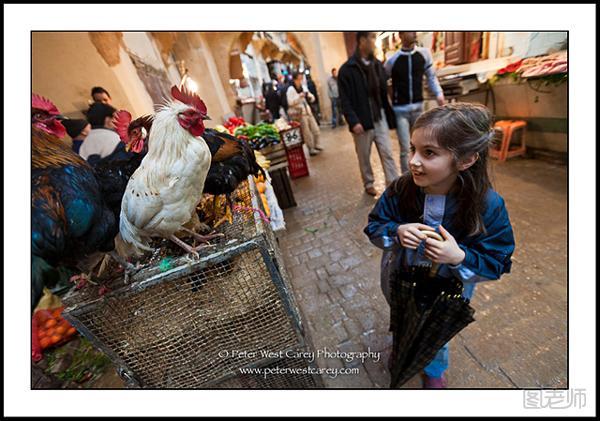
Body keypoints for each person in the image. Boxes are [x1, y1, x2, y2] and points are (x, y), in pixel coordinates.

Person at [364, 103, 516, 388]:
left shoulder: (488, 205)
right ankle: (402, 346)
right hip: (400, 279)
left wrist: (459, 256)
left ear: (466, 159)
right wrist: (396, 231)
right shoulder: (400, 189)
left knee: (435, 332)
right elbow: (374, 225)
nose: (413, 161)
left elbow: (497, 259)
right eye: (412, 149)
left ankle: (433, 367)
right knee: (402, 316)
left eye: (429, 153)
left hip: (450, 290)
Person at [338, 31, 399, 196]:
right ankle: (368, 183)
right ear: (362, 41)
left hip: (379, 117)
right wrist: (353, 121)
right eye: (372, 37)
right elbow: (344, 100)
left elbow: (383, 93)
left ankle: (393, 183)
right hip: (361, 121)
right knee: (364, 157)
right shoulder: (347, 70)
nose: (374, 41)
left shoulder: (377, 65)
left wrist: (391, 116)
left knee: (387, 152)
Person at [384, 31, 445, 173]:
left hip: (418, 108)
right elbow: (383, 80)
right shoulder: (392, 60)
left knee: (422, 144)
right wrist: (389, 100)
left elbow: (431, 77)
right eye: (410, 31)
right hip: (400, 111)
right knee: (405, 148)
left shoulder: (424, 54)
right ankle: (407, 179)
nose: (414, 33)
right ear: (401, 35)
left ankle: (420, 175)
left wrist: (439, 94)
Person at [286, 71, 323, 156]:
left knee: (315, 129)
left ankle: (317, 144)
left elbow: (311, 96)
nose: (301, 80)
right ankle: (311, 148)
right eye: (299, 79)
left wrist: (310, 97)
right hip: (301, 114)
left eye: (301, 78)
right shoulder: (291, 89)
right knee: (306, 133)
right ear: (295, 79)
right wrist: (299, 97)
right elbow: (290, 102)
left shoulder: (303, 87)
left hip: (308, 111)